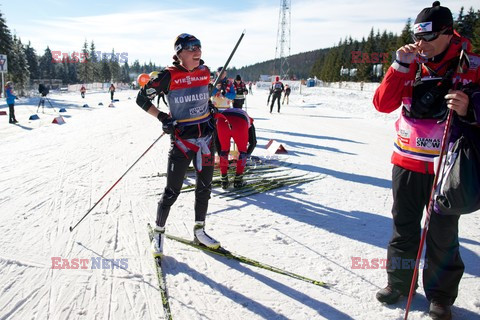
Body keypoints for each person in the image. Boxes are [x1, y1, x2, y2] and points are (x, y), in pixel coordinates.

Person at [373, 2, 480, 319]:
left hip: (446, 167)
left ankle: (440, 296)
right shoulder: (411, 62)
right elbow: (382, 104)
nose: (421, 44)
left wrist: (470, 106)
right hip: (406, 161)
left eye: (429, 37)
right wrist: (399, 66)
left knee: (442, 235)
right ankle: (399, 284)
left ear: (449, 33)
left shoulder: (471, 65)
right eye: (417, 37)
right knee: (403, 229)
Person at [136, 33, 220, 257]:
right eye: (191, 48)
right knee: (172, 191)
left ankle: (200, 231)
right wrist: (163, 118)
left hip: (206, 140)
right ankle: (159, 232)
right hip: (183, 142)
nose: (197, 51)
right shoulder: (167, 76)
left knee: (205, 188)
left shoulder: (205, 72)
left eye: (199, 47)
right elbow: (141, 99)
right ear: (179, 53)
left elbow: (203, 96)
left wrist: (209, 107)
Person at [216, 108, 257, 189]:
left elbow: (217, 142)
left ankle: (224, 180)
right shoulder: (250, 121)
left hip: (222, 120)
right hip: (239, 122)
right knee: (242, 151)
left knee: (224, 150)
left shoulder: (224, 114)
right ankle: (238, 180)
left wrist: (222, 159)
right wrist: (246, 156)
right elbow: (253, 142)